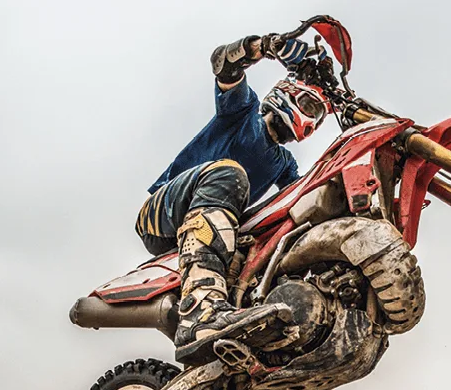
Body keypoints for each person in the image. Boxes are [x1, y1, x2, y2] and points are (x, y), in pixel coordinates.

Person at [135, 34, 330, 365]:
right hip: (162, 213)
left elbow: (305, 202)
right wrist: (267, 45)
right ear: (290, 93)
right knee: (231, 173)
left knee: (279, 227)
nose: (311, 121)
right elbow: (223, 64)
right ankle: (200, 310)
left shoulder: (284, 163)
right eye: (311, 107)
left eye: (319, 117)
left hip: (212, 235)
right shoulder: (242, 110)